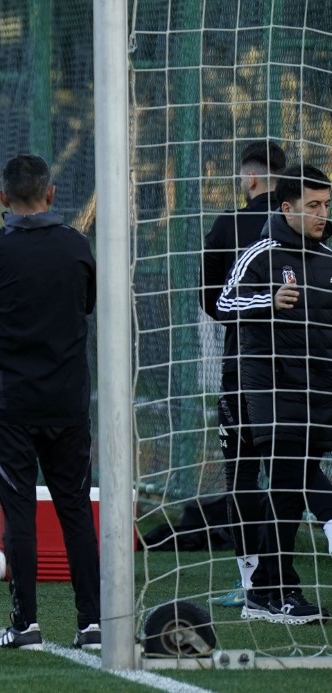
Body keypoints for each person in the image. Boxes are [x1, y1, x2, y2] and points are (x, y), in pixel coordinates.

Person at [0, 154, 100, 650]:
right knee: (75, 508)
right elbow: (85, 304)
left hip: (9, 402)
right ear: (52, 193)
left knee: (18, 510)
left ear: (2, 199)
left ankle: (26, 624)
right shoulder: (76, 246)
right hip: (66, 401)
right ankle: (92, 624)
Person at [217, 164, 332, 625]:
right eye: (313, 206)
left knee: (287, 490)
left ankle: (265, 592)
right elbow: (225, 302)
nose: (322, 213)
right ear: (287, 208)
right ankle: (277, 592)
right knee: (291, 480)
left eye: (327, 205)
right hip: (272, 390)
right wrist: (270, 301)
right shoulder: (261, 252)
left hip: (318, 389)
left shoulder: (327, 255)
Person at [199, 141, 285, 606]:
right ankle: (282, 576)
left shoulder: (231, 224)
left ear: (250, 179)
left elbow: (212, 302)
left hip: (245, 369)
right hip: (304, 369)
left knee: (243, 473)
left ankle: (253, 580)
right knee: (300, 471)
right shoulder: (306, 225)